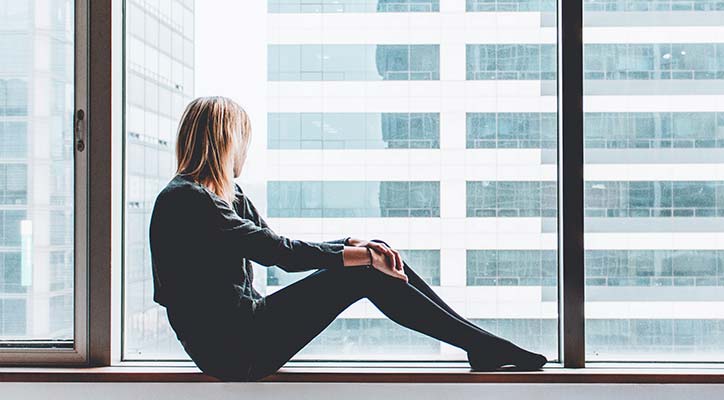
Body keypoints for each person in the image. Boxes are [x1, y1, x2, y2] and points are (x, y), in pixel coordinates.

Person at [149, 96, 547, 382]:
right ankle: (479, 344)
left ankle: (478, 343)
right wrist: (358, 256)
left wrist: (356, 244)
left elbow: (274, 242)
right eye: (243, 140)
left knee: (372, 254)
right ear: (226, 142)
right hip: (233, 349)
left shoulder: (228, 196)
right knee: (365, 270)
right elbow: (278, 254)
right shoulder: (187, 200)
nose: (246, 151)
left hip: (244, 332)